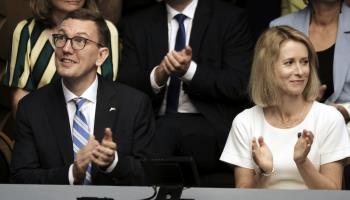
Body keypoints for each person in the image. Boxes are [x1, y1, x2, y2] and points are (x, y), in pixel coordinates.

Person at [10, 9, 154, 185]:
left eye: (80, 41)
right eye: (61, 38)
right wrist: (72, 174)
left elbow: (150, 175)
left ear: (101, 56)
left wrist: (113, 163)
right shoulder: (31, 108)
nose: (66, 48)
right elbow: (21, 178)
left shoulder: (134, 104)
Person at [118, 0, 253, 175]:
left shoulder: (229, 18)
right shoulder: (137, 23)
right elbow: (124, 86)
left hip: (210, 128)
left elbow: (240, 84)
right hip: (153, 127)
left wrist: (190, 72)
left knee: (168, 129)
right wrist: (157, 76)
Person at [220, 25, 350, 189]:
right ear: (267, 68)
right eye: (289, 63)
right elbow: (243, 194)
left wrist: (302, 163)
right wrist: (265, 172)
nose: (300, 71)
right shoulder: (245, 121)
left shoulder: (329, 118)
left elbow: (333, 193)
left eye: (304, 62)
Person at [2, 0, 119, 116]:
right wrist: (35, 132)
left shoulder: (107, 31)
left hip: (93, 126)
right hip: (42, 124)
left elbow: (109, 94)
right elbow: (20, 97)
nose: (67, 49)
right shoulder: (26, 30)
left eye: (80, 40)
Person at [270, 1, 350, 125]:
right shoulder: (280, 27)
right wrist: (302, 101)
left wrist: (347, 112)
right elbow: (266, 89)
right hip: (293, 129)